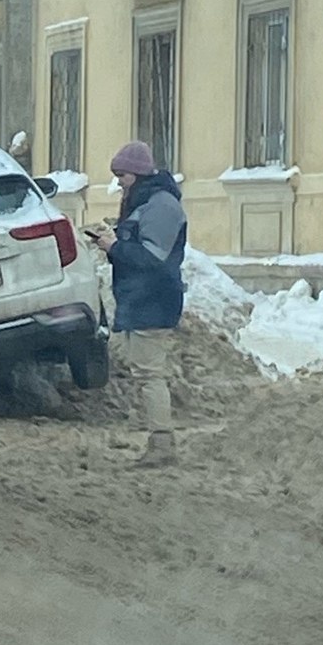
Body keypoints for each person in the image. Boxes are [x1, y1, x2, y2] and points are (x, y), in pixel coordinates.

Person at [92, 141, 187, 469]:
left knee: (150, 374)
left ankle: (162, 443)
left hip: (154, 299)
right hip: (140, 299)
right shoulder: (145, 200)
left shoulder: (161, 205)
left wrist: (114, 246)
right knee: (144, 371)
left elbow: (152, 258)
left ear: (139, 173)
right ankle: (158, 437)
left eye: (122, 174)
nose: (118, 181)